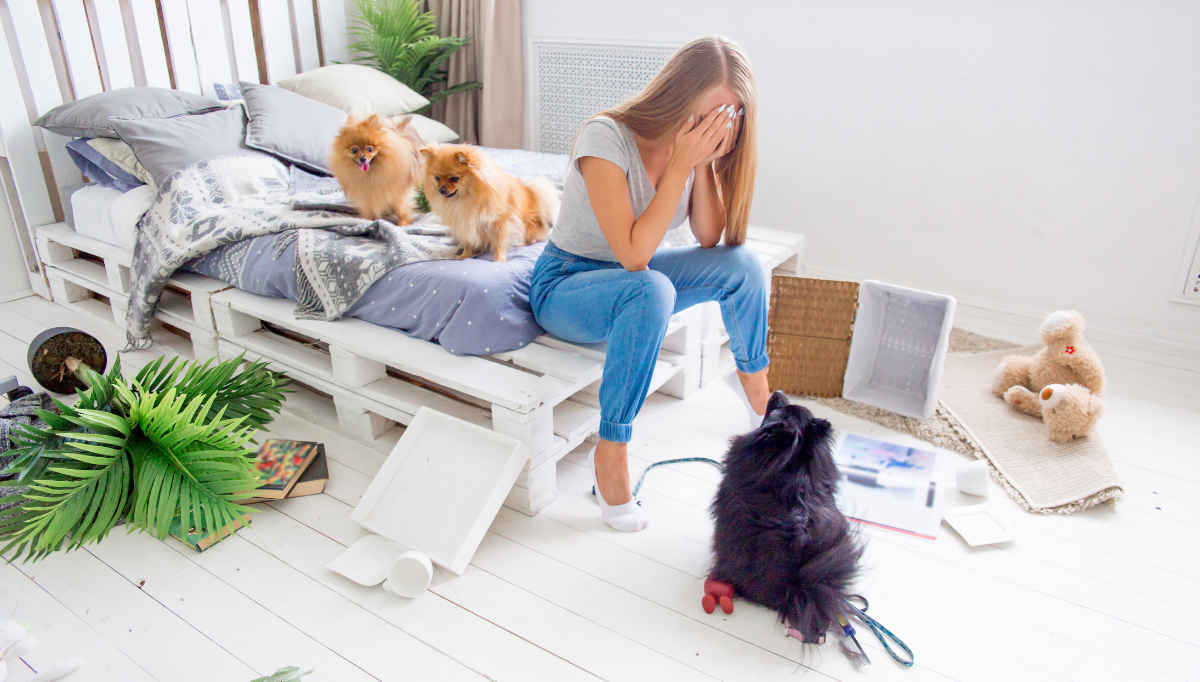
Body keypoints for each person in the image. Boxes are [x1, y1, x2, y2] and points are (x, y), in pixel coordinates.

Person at [530, 34, 769, 532]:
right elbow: (634, 255)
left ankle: (756, 389)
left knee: (742, 263)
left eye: (730, 116)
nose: (717, 126)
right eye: (709, 113)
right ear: (678, 95)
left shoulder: (693, 153)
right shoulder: (606, 136)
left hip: (632, 282)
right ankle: (612, 450)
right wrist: (681, 163)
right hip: (568, 283)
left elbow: (708, 236)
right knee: (652, 286)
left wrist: (700, 164)